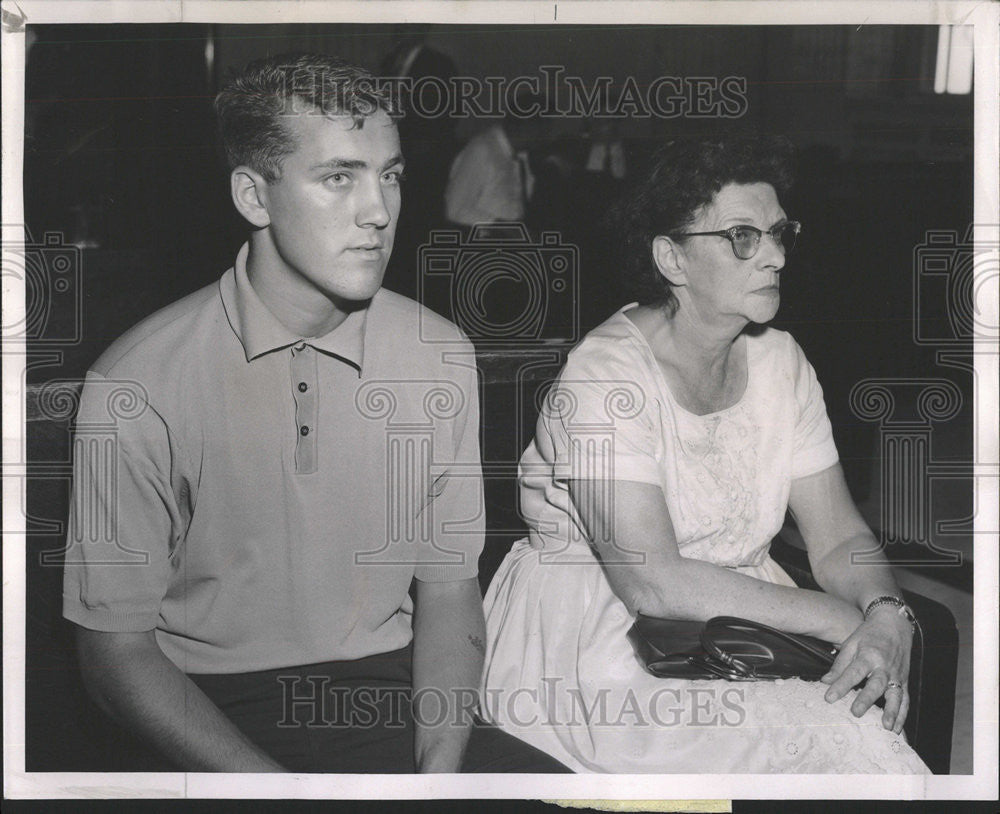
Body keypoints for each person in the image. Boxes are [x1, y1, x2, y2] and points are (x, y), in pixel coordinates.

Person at [62, 53, 568, 774]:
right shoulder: (136, 380)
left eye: (389, 175)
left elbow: (451, 593)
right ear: (254, 196)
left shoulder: (440, 355)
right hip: (200, 711)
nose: (379, 212)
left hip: (388, 699)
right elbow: (114, 657)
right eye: (339, 178)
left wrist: (438, 770)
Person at [479, 134, 931, 773]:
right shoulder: (604, 375)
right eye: (742, 236)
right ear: (671, 257)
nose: (773, 255)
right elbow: (653, 582)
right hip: (601, 642)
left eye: (779, 232)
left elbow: (836, 538)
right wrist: (835, 620)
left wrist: (887, 615)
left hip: (746, 622)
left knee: (860, 745)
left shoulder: (780, 360)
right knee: (832, 753)